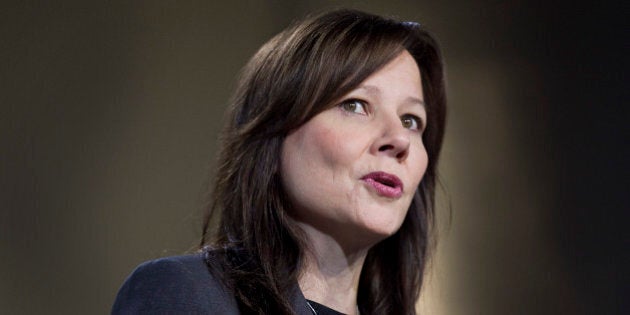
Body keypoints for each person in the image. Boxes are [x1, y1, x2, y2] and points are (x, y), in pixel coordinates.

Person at [112, 8, 446, 315]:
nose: (400, 140)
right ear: (273, 131)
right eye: (356, 105)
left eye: (411, 120)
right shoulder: (185, 294)